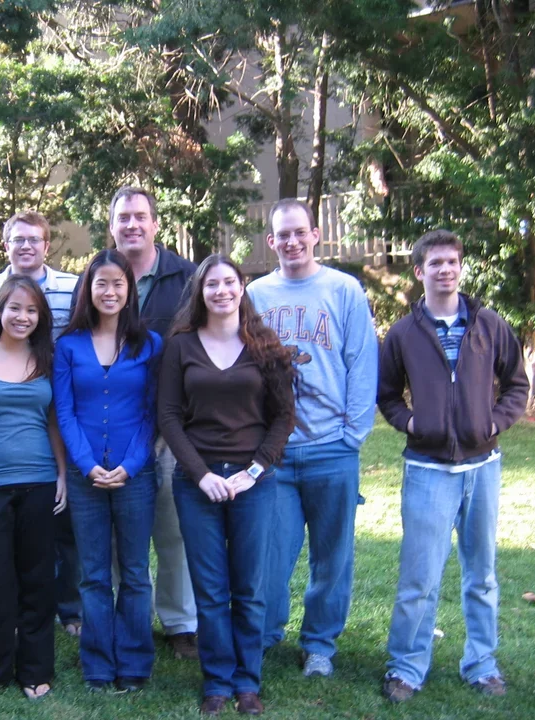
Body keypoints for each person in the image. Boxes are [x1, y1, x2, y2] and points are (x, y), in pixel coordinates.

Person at [377, 230, 529, 703]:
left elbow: (517, 385)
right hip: (427, 470)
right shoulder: (402, 333)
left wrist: (493, 423)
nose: (446, 270)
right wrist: (412, 423)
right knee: (419, 577)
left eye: (453, 262)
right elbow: (385, 395)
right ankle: (406, 666)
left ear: (461, 268)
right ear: (419, 272)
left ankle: (481, 664)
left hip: (483, 467)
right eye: (436, 263)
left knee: (481, 573)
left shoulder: (490, 326)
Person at [157, 255, 295, 715]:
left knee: (250, 587)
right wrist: (201, 475)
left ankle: (247, 682)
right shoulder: (180, 346)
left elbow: (283, 417)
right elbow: (169, 417)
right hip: (196, 483)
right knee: (211, 589)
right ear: (200, 292)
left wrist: (252, 471)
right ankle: (216, 680)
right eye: (211, 284)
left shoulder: (264, 343)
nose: (221, 291)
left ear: (242, 288)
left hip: (254, 482)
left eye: (229, 282)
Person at [247, 198, 378, 677]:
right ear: (271, 241)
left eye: (300, 232)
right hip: (276, 453)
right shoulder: (257, 295)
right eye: (283, 235)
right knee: (269, 554)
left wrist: (352, 434)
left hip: (331, 448)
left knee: (332, 556)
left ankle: (320, 643)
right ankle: (262, 635)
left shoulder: (343, 290)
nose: (292, 241)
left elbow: (362, 363)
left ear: (316, 234)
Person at [53, 249, 163, 692]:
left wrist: (130, 466)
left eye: (119, 283)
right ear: (88, 289)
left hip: (135, 477)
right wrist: (86, 466)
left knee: (134, 572)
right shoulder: (68, 345)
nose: (110, 291)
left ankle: (134, 660)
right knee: (93, 573)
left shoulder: (150, 344)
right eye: (102, 283)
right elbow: (65, 412)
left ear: (129, 289)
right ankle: (98, 662)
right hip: (85, 480)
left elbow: (153, 413)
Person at [0, 275, 68, 701]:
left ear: (40, 317)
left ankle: (36, 670)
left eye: (32, 310)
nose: (22, 317)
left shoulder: (48, 362)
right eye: (15, 308)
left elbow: (55, 423)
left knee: (38, 580)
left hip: (40, 483)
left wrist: (61, 475)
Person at [0, 210, 82, 636]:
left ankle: (68, 608)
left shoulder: (73, 289)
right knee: (6, 530)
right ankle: (8, 609)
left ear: (47, 245)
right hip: (1, 419)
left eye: (34, 239)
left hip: (57, 410)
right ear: (6, 245)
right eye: (18, 239)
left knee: (61, 522)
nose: (26, 246)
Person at [108, 186, 199, 659]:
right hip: (116, 427)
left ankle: (181, 622)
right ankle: (128, 617)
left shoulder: (186, 278)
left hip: (172, 425)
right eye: (123, 217)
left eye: (140, 216)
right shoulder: (100, 274)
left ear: (156, 223)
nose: (132, 225)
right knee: (121, 530)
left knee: (173, 528)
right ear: (112, 225)